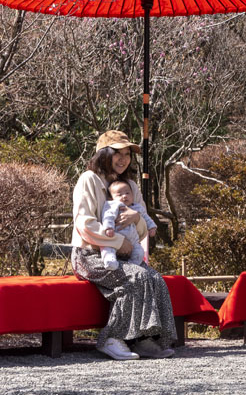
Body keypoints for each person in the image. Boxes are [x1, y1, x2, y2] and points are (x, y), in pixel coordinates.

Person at [71, 130, 176, 360]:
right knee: (135, 277)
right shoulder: (89, 180)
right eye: (117, 153)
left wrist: (136, 219)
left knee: (155, 279)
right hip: (89, 255)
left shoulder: (130, 185)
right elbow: (84, 225)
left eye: (127, 154)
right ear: (103, 154)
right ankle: (112, 338)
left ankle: (144, 339)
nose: (123, 159)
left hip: (125, 255)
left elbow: (141, 228)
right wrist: (118, 243)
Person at [100, 179, 156, 269]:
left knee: (139, 252)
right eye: (119, 194)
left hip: (133, 241)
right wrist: (108, 227)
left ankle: (133, 264)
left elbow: (146, 218)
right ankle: (110, 262)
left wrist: (152, 227)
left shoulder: (137, 207)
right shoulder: (113, 205)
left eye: (127, 193)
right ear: (111, 198)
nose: (125, 196)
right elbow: (108, 216)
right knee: (108, 249)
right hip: (115, 237)